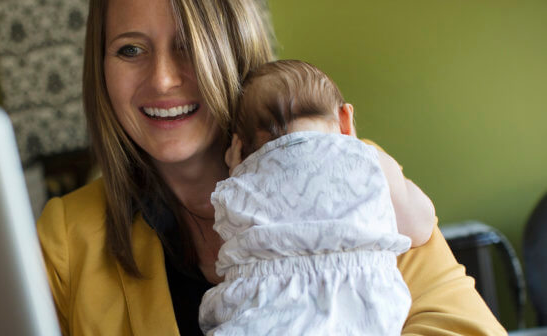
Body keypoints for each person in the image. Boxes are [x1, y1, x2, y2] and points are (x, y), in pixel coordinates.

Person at [35, 0, 507, 335]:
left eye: (189, 45)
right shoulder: (64, 237)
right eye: (130, 50)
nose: (161, 78)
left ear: (234, 48)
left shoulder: (352, 174)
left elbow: (466, 327)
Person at [199, 60, 435, 335]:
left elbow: (228, 259)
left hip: (262, 311)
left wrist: (237, 173)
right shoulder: (368, 159)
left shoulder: (238, 184)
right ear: (345, 120)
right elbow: (420, 226)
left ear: (240, 147)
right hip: (358, 306)